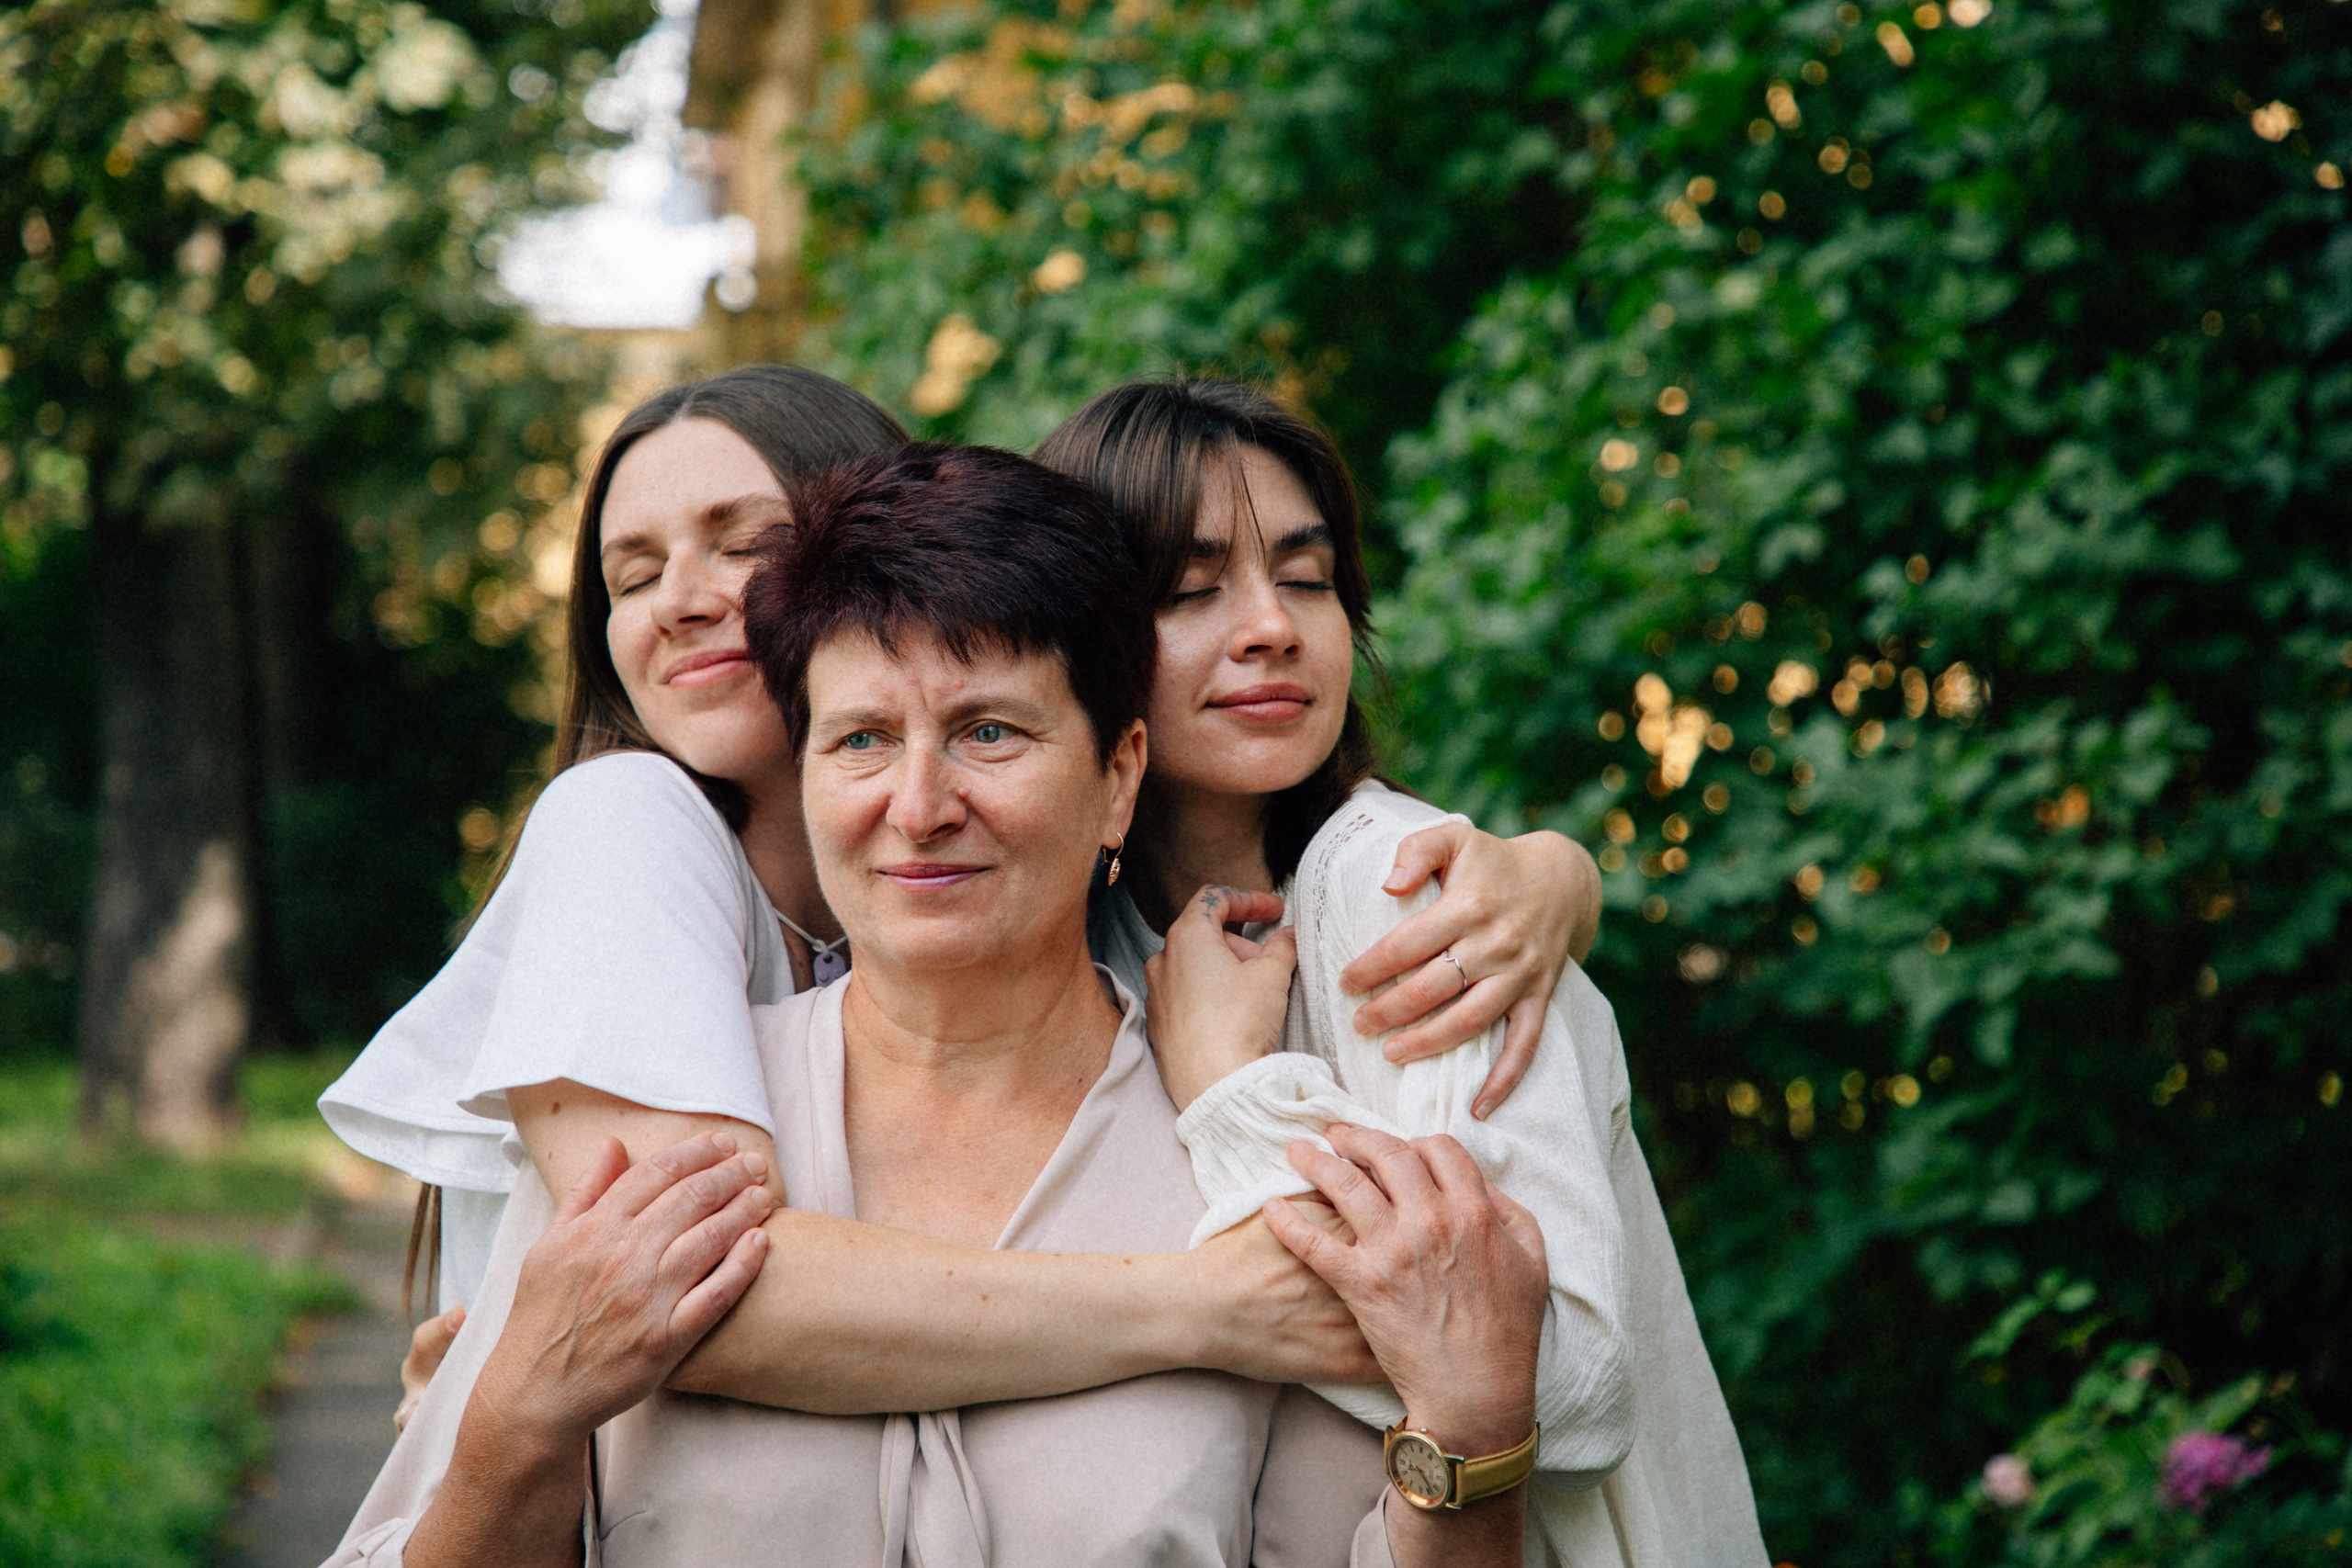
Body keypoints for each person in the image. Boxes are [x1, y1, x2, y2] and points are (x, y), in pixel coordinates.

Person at [335, 443, 1549, 1565]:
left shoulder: (1254, 1175)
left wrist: (1479, 1425)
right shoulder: (657, 1151)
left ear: (1118, 774)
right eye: (860, 740)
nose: (918, 806)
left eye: (988, 732)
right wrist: (517, 1426)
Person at [1035, 378, 1772, 1567]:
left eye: (1309, 578)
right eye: (1190, 588)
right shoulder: (1077, 947)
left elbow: (1572, 1386)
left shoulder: (1407, 895)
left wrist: (1237, 1104)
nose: (1272, 624)